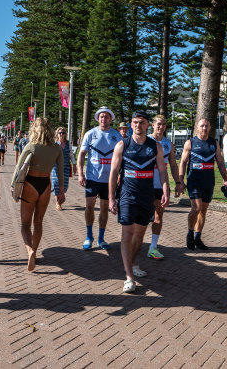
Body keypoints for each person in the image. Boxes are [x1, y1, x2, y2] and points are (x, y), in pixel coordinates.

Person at [109, 111, 169, 293]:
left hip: (147, 196)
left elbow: (162, 170)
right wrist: (112, 197)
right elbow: (113, 173)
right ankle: (129, 276)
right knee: (127, 234)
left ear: (147, 125)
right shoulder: (122, 145)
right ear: (131, 124)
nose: (138, 125)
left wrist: (166, 189)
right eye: (135, 122)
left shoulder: (155, 146)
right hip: (127, 196)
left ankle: (133, 264)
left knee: (140, 235)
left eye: (141, 122)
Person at [12, 117, 65, 271]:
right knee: (38, 222)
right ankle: (34, 250)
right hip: (45, 186)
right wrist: (60, 190)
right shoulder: (57, 148)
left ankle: (30, 251)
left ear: (35, 128)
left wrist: (13, 187)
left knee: (25, 224)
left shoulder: (31, 145)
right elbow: (60, 171)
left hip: (30, 184)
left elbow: (18, 168)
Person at [177, 118, 227, 251]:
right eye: (202, 126)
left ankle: (197, 237)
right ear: (197, 127)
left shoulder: (214, 143)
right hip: (194, 180)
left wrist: (226, 179)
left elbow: (220, 163)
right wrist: (181, 180)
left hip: (208, 181)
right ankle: (190, 233)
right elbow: (183, 162)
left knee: (204, 210)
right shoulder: (190, 143)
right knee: (196, 208)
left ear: (210, 127)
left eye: (206, 126)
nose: (204, 128)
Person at [77, 106, 122, 250]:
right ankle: (89, 236)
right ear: (98, 118)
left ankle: (101, 238)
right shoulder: (90, 134)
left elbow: (122, 157)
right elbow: (82, 154)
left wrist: (120, 173)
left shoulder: (116, 136)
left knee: (104, 208)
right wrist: (80, 173)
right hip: (92, 177)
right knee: (89, 205)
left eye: (106, 116)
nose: (104, 119)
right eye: (101, 116)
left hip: (109, 180)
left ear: (111, 119)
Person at [147, 115, 181, 260]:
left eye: (163, 124)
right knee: (140, 218)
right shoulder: (146, 141)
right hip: (144, 184)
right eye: (158, 124)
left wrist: (178, 182)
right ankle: (133, 244)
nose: (161, 127)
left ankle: (153, 247)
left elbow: (173, 165)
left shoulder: (168, 144)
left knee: (158, 216)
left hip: (160, 185)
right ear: (153, 125)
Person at [51, 127, 76, 211]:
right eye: (60, 133)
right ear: (57, 134)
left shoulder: (68, 143)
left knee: (64, 186)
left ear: (65, 134)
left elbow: (71, 155)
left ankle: (61, 197)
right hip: (55, 167)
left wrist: (74, 164)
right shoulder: (54, 143)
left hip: (66, 167)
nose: (61, 134)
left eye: (63, 133)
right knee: (56, 184)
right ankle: (58, 203)